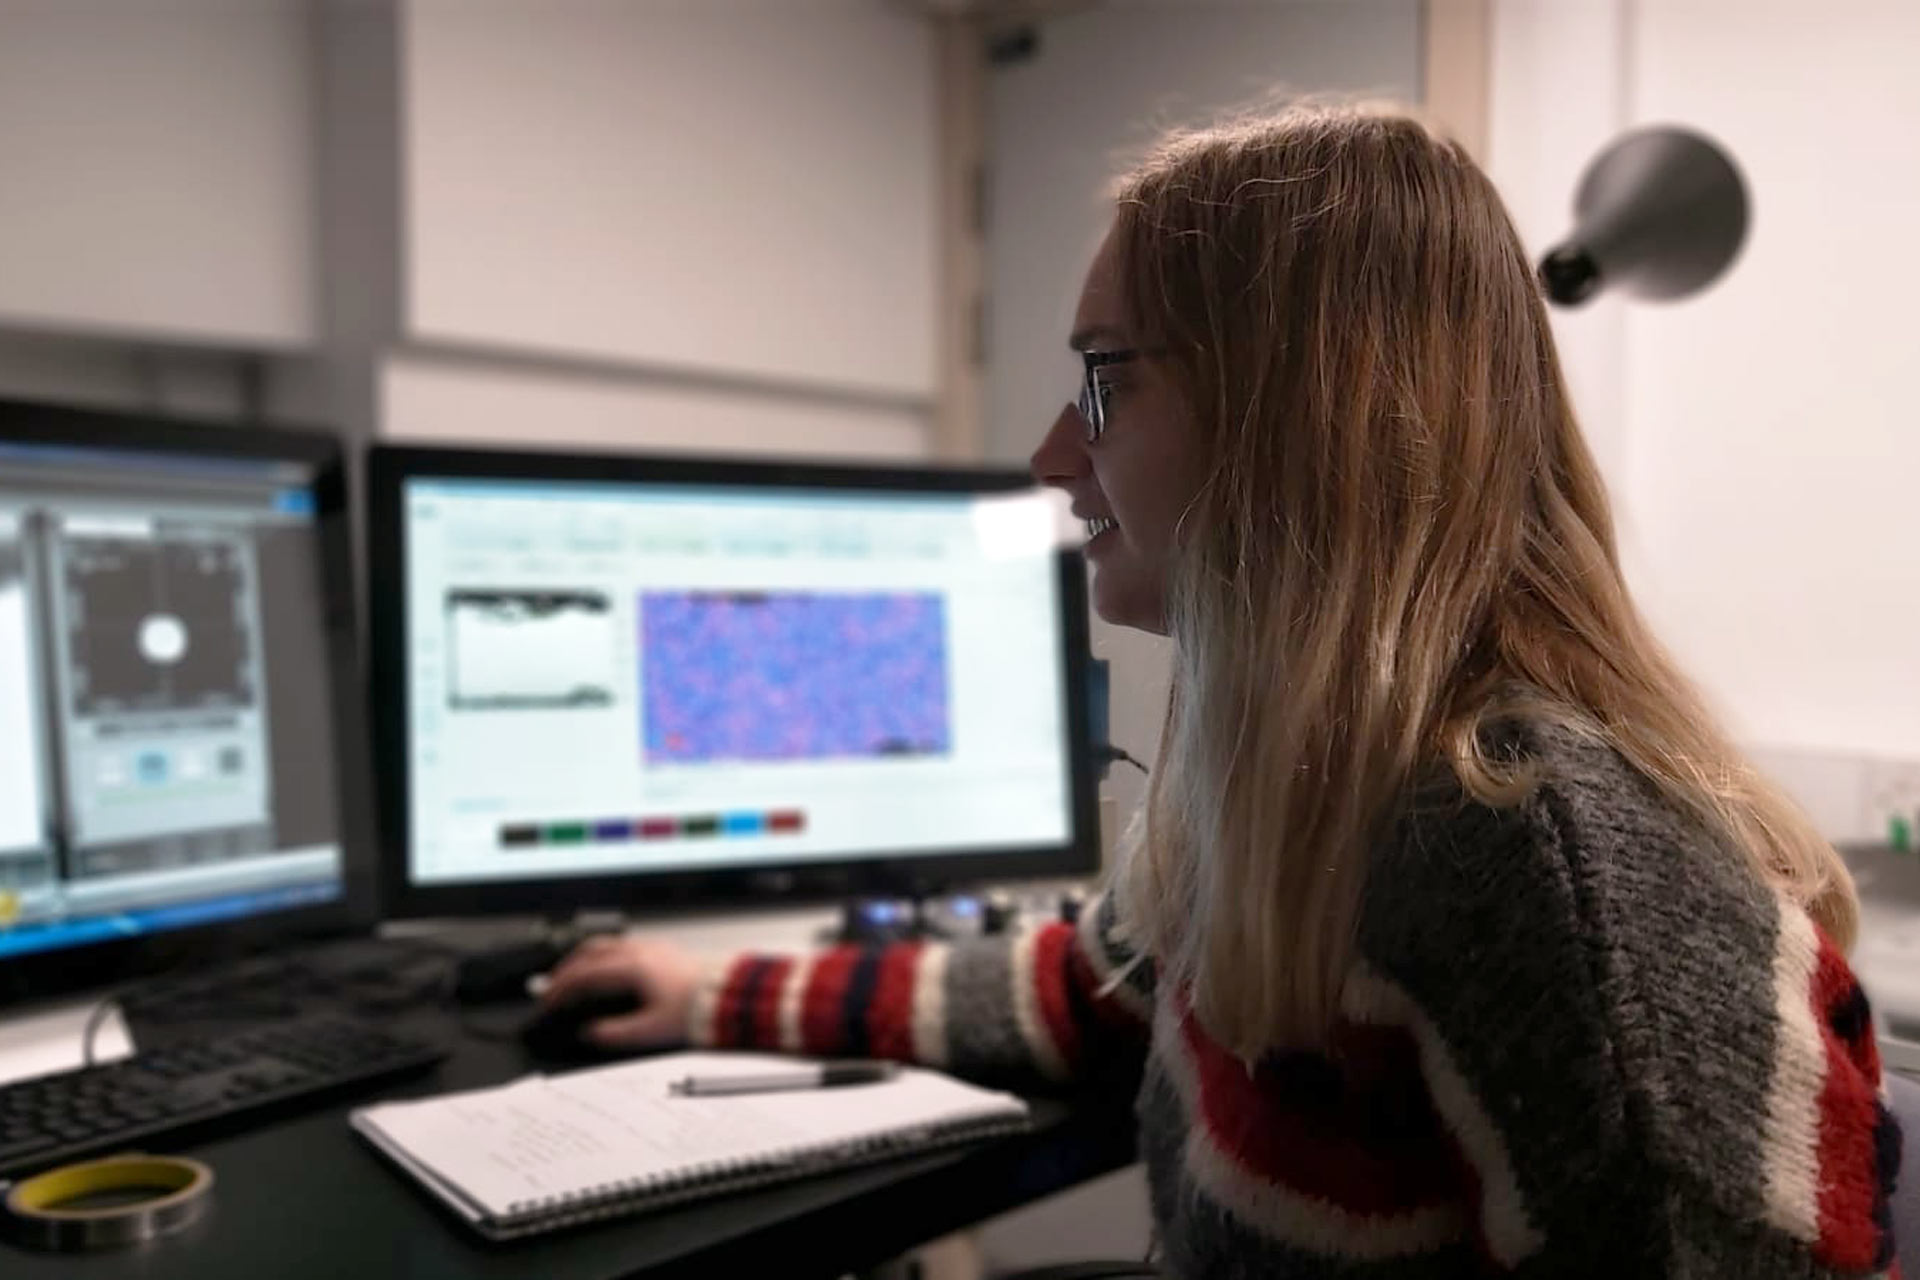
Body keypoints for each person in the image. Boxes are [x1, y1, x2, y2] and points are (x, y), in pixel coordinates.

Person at [541, 103, 1900, 1276]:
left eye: (1103, 385)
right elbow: (1082, 988)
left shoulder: (1536, 865)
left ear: (1308, 408)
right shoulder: (1307, 790)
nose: (1048, 462)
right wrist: (708, 991)